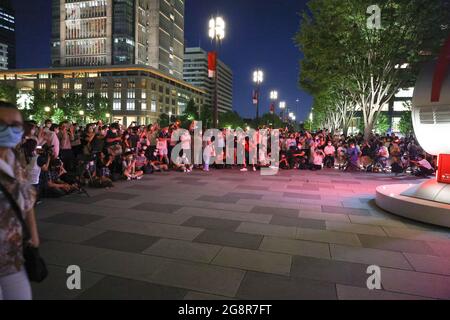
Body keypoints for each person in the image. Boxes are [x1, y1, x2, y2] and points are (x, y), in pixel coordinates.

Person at [0, 102, 40, 300]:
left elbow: (27, 201)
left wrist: (33, 237)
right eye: (1, 124)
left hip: (14, 256)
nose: (8, 130)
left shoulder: (14, 159)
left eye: (15, 125)